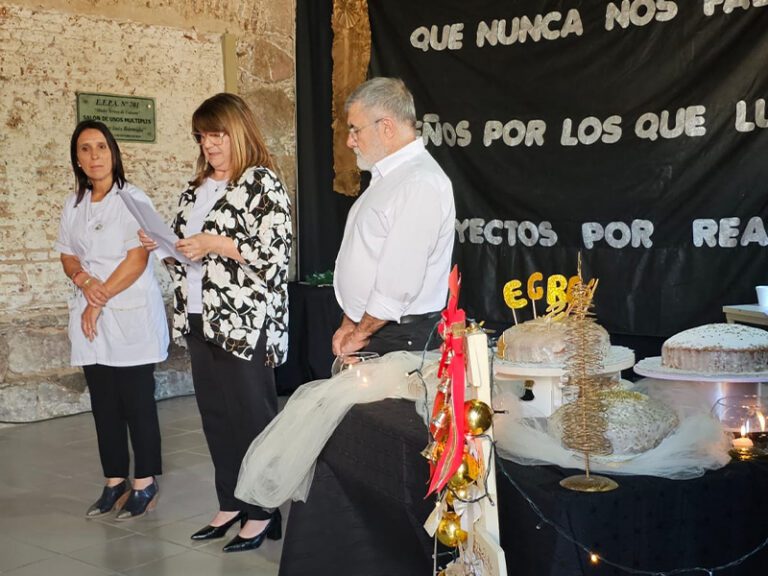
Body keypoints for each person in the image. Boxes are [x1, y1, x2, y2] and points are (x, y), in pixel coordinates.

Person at [139, 93, 292, 553]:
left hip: (245, 321)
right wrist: (163, 247)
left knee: (253, 418)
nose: (209, 145)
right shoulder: (195, 188)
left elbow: (277, 260)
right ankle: (230, 501)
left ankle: (263, 510)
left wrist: (218, 244)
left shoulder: (262, 183)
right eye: (202, 136)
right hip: (199, 315)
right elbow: (188, 258)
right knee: (216, 417)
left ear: (239, 131)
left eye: (218, 134)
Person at [55, 120, 168, 520]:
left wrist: (98, 299)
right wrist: (85, 282)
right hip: (91, 316)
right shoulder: (73, 204)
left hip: (128, 311)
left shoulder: (133, 199)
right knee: (103, 403)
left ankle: (145, 483)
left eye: (101, 147)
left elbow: (137, 259)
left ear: (113, 153)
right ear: (77, 159)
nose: (94, 156)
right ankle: (115, 480)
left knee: (136, 402)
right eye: (85, 149)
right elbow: (68, 253)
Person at [332, 77, 455, 357]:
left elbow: (397, 286)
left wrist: (358, 335)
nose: (350, 141)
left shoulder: (419, 183)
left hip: (399, 342)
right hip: (377, 333)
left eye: (355, 130)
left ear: (386, 127)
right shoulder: (390, 177)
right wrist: (348, 323)